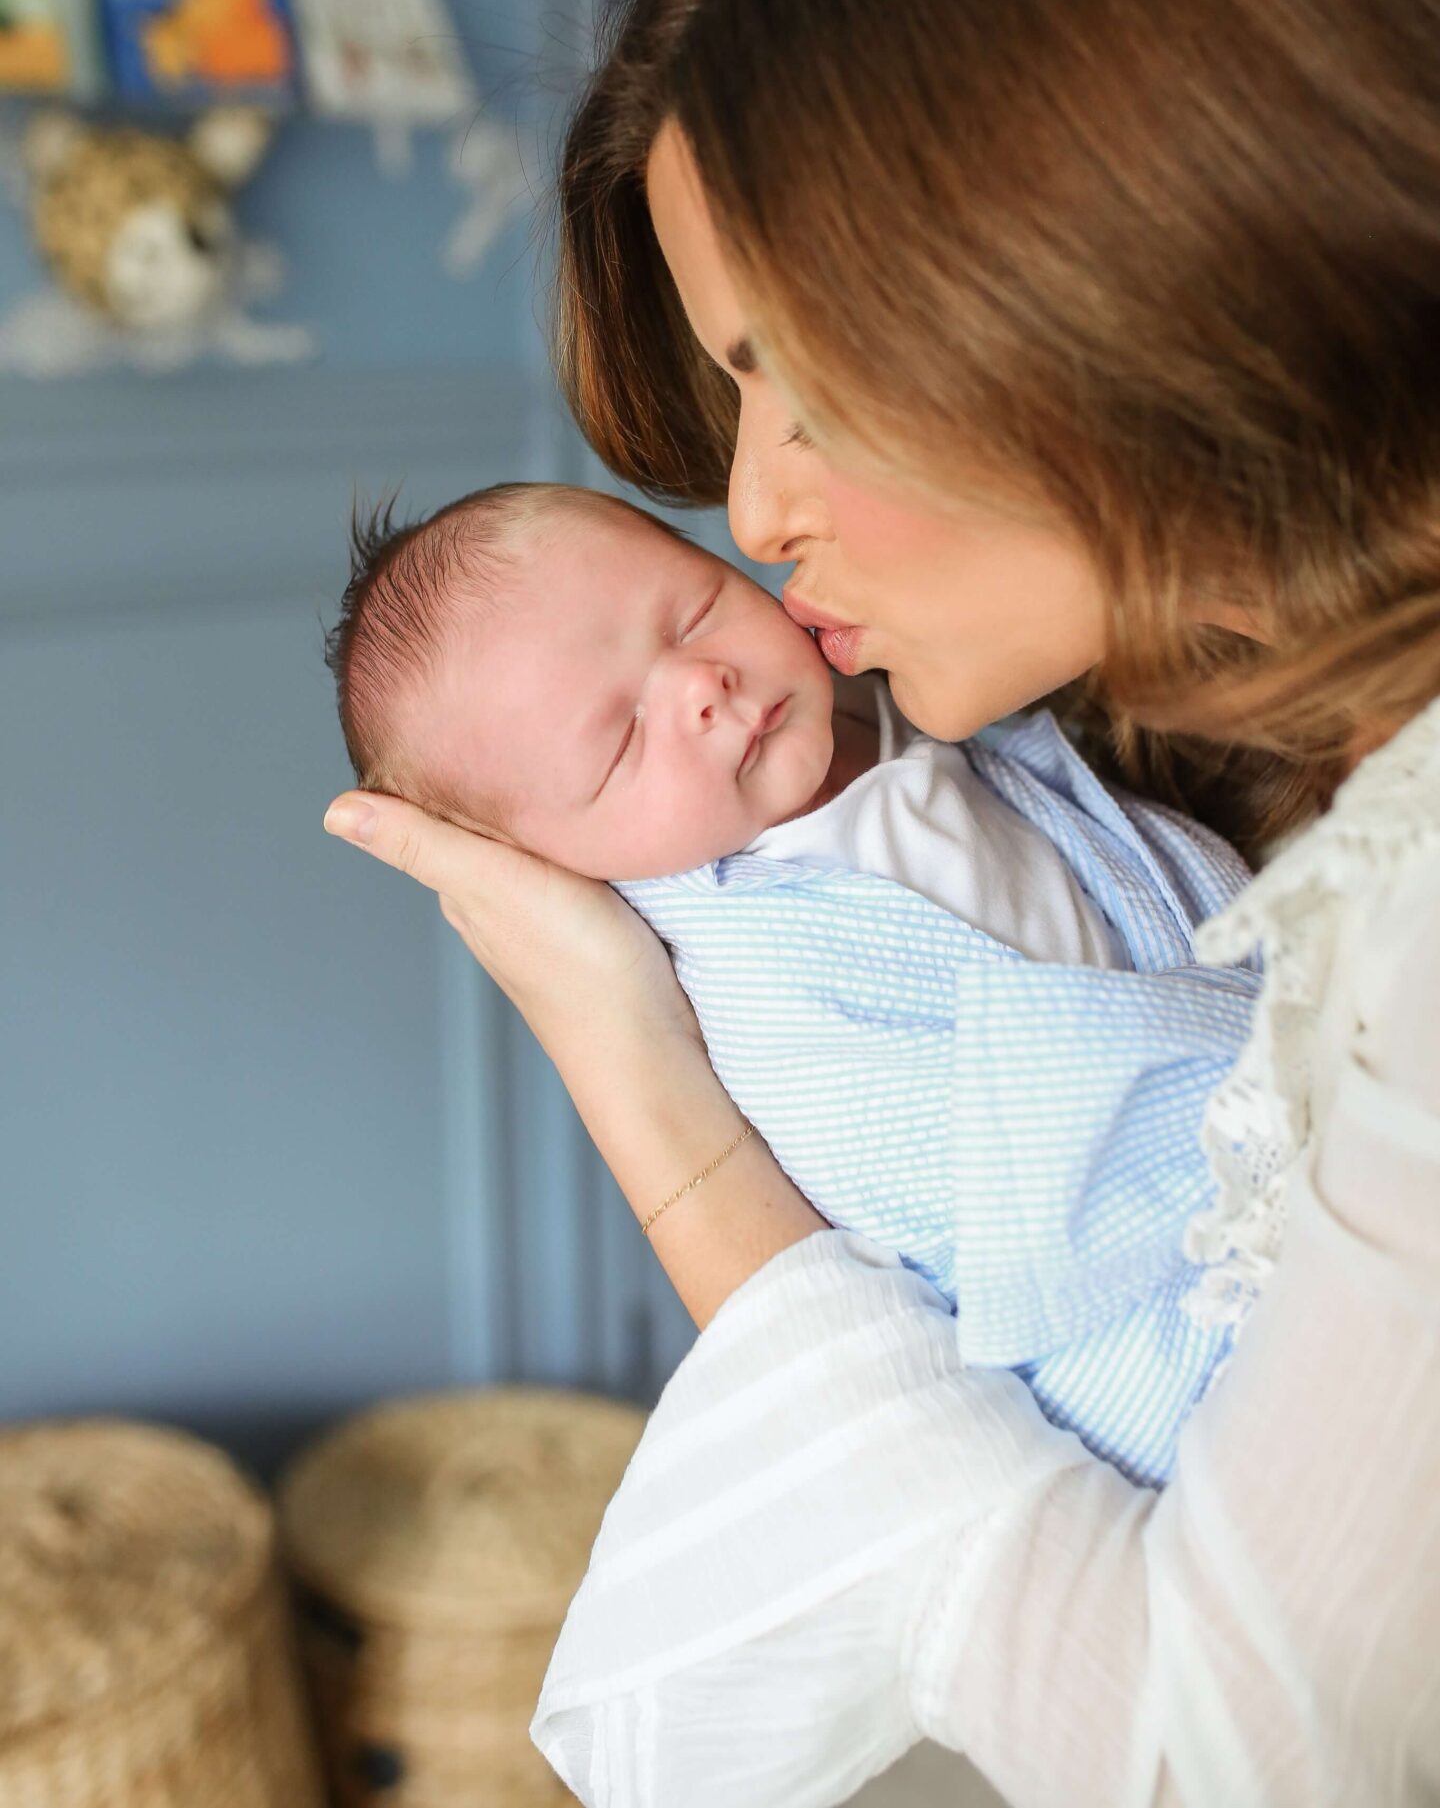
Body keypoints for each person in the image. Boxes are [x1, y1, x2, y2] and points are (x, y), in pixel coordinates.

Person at [322, 0, 1440, 1808]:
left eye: (796, 381)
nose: (748, 513)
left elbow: (1216, 1755)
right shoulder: (1205, 759)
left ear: (1114, 283)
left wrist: (655, 1115)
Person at [324, 480, 1258, 1483]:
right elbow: (934, 1165)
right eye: (623, 740)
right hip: (1150, 1312)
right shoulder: (757, 965)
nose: (700, 683)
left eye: (692, 611)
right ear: (547, 859)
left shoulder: (925, 710)